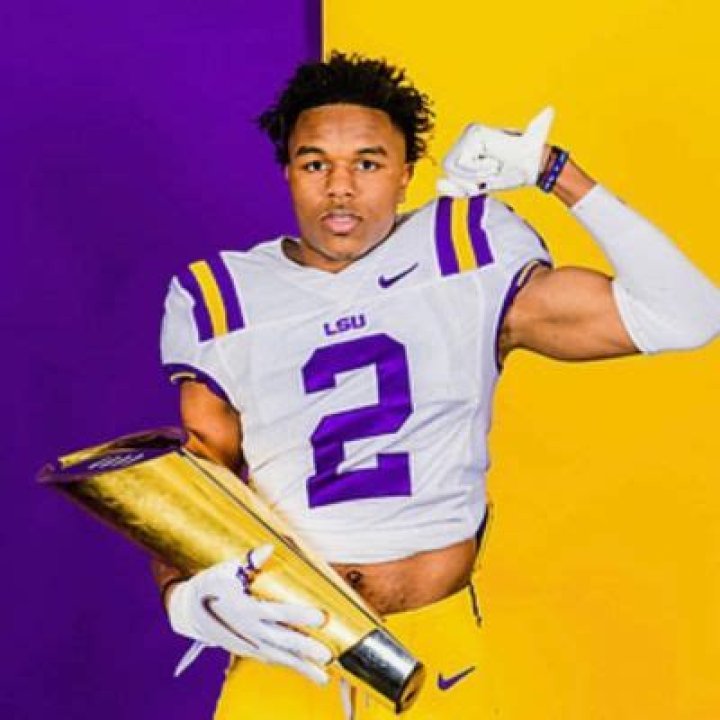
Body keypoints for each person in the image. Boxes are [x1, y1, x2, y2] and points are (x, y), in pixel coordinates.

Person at [151, 52, 720, 719]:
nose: (341, 187)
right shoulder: (220, 296)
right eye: (315, 164)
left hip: (436, 649)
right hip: (289, 644)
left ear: (406, 172)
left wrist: (554, 172)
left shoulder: (463, 248)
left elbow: (687, 315)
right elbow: (199, 474)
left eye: (368, 163)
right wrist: (181, 593)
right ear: (288, 173)